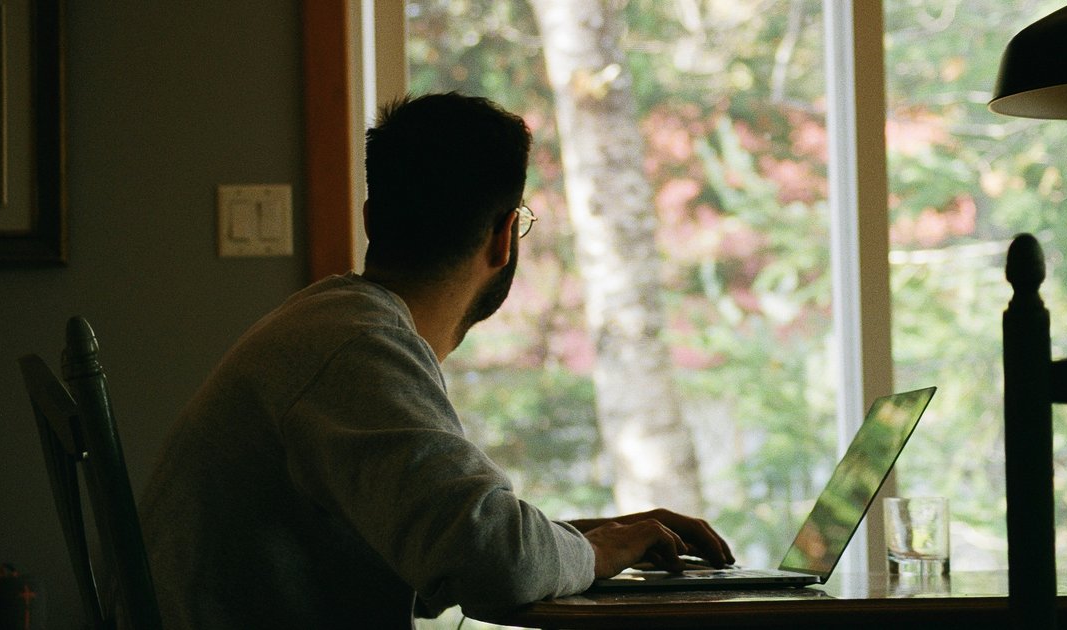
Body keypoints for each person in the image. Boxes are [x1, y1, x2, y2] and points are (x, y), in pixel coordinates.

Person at [139, 92, 734, 629]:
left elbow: (444, 543)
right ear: (504, 238)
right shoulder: (356, 347)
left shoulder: (332, 327)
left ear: (372, 222)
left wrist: (582, 541)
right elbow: (494, 567)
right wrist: (596, 553)